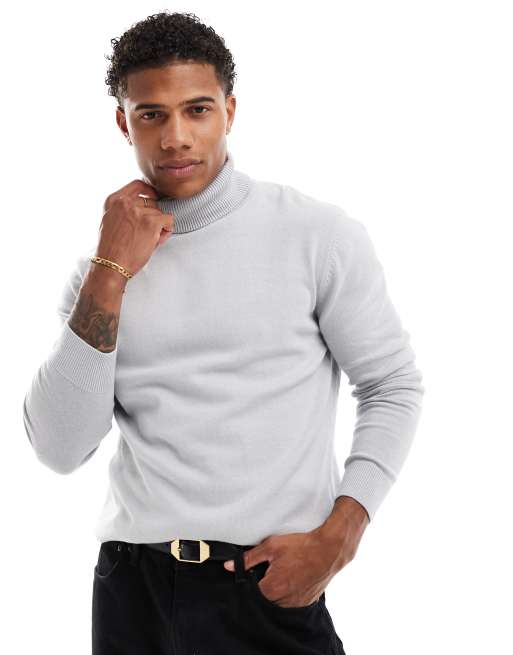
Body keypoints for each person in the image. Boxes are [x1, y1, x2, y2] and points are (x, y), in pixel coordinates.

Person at [22, 10, 425, 655]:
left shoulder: (315, 236)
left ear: (229, 112)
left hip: (264, 586)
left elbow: (391, 385)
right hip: (132, 591)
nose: (176, 137)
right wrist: (110, 269)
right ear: (124, 123)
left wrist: (341, 535)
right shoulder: (103, 272)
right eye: (151, 114)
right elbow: (59, 447)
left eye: (198, 110)